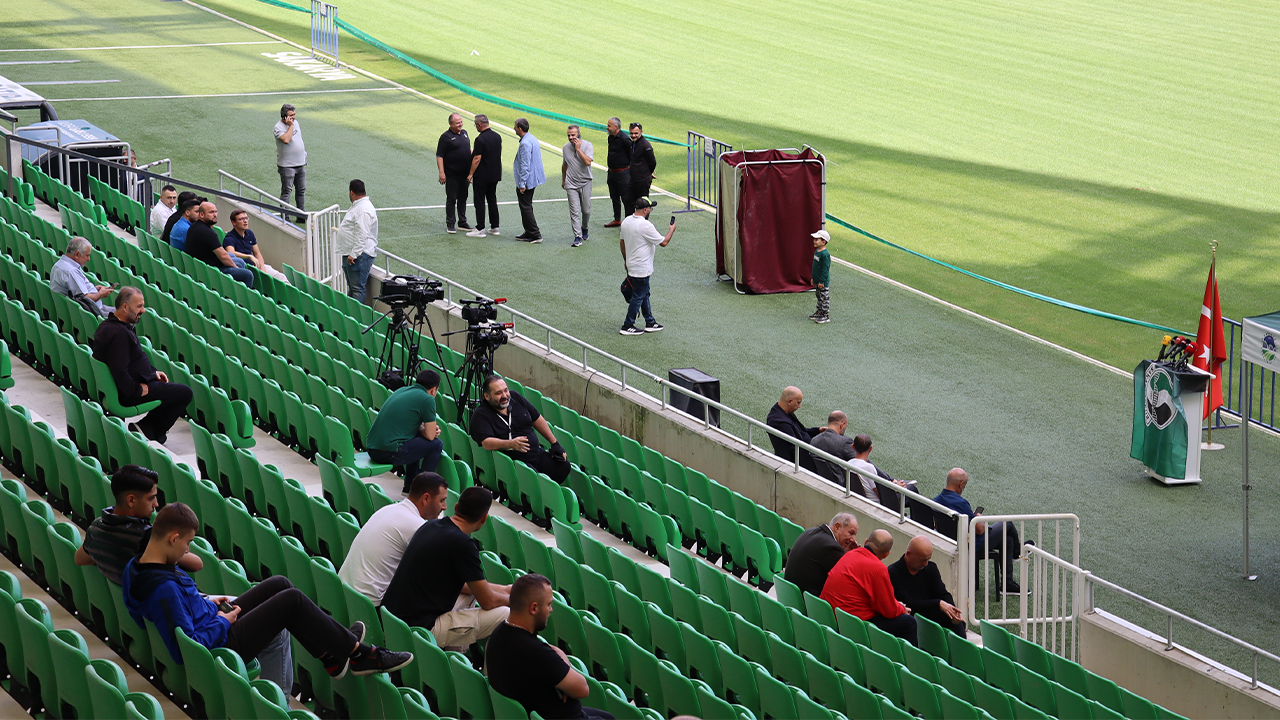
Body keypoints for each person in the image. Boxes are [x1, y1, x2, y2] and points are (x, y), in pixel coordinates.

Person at [124, 503, 412, 692]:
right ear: (173, 538)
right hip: (221, 643)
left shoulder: (137, 567)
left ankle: (331, 655)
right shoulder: (163, 589)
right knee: (292, 601)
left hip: (211, 620)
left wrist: (202, 603)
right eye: (187, 543)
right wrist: (222, 621)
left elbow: (163, 611)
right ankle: (361, 654)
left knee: (279, 584)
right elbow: (186, 647)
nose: (188, 551)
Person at [381, 486, 512, 649]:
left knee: (470, 594)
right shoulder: (464, 544)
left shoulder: (430, 525)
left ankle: (456, 658)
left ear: (456, 507)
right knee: (506, 614)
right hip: (419, 629)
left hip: (392, 620)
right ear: (484, 518)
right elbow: (487, 601)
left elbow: (472, 587)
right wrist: (513, 599)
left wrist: (504, 589)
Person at [486, 574, 614, 720]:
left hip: (535, 710)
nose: (551, 610)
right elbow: (582, 689)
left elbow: (550, 652)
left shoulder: (500, 633)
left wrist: (560, 664)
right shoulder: (535, 652)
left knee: (608, 717)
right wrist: (565, 666)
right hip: (557, 716)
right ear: (534, 608)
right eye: (548, 604)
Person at [92, 287, 192, 444]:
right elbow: (119, 371)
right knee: (184, 393)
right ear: (125, 307)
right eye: (139, 306)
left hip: (126, 385)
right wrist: (137, 390)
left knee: (169, 389)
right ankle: (149, 428)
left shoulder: (108, 326)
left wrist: (152, 374)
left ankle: (147, 427)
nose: (143, 310)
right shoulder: (120, 334)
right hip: (128, 392)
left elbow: (128, 362)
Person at [73, 465, 202, 585]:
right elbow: (197, 564)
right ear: (131, 500)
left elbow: (80, 559)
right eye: (151, 498)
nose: (156, 504)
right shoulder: (146, 537)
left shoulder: (97, 527)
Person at [338, 472, 448, 606]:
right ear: (426, 499)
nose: (444, 507)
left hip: (345, 593)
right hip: (370, 604)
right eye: (441, 500)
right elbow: (438, 576)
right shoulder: (416, 526)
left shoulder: (388, 509)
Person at [932, 468, 1023, 594]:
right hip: (971, 544)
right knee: (1007, 523)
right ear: (961, 484)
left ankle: (1008, 583)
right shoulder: (961, 502)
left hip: (952, 541)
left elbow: (937, 526)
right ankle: (1017, 552)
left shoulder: (936, 500)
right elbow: (979, 530)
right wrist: (979, 518)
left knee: (1007, 540)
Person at [821, 529, 917, 646]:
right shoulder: (879, 569)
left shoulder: (849, 554)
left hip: (829, 616)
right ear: (886, 554)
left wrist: (896, 605)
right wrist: (902, 609)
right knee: (909, 623)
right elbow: (889, 610)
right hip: (851, 625)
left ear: (866, 542)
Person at [469, 375, 570, 484]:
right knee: (538, 482)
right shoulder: (481, 415)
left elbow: (537, 418)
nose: (504, 396)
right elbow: (486, 442)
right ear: (487, 396)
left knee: (563, 466)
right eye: (498, 393)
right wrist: (511, 444)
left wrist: (554, 443)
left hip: (536, 454)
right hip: (515, 463)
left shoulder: (515, 398)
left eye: (506, 390)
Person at [364, 370, 444, 494]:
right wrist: (428, 431)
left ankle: (410, 487)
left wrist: (423, 429)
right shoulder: (428, 399)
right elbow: (430, 436)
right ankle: (422, 490)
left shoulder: (402, 390)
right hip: (386, 452)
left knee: (414, 438)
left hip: (372, 447)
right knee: (436, 444)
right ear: (434, 390)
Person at [888, 536, 967, 637]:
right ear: (908, 554)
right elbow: (909, 603)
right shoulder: (893, 573)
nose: (925, 564)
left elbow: (942, 593)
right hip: (912, 619)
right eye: (922, 560)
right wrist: (938, 604)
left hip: (932, 614)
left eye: (928, 559)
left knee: (956, 624)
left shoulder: (931, 568)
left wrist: (952, 611)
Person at [618, 196, 674, 336]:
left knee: (644, 293)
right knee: (638, 296)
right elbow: (664, 242)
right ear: (644, 210)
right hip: (641, 268)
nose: (651, 210)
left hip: (632, 265)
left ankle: (650, 322)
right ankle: (628, 325)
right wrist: (671, 230)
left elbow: (622, 243)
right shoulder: (645, 225)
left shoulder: (626, 221)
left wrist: (626, 260)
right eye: (650, 208)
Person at [783, 512, 858, 598]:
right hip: (806, 601)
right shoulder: (832, 548)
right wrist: (852, 556)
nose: (853, 539)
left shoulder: (810, 531)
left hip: (788, 595)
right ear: (837, 527)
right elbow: (847, 582)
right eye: (851, 533)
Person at [185, 201, 254, 288]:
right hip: (212, 270)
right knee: (248, 274)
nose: (215, 215)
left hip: (204, 265)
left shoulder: (195, 226)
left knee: (237, 259)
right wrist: (236, 268)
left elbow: (223, 253)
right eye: (211, 212)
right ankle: (242, 294)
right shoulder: (207, 233)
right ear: (201, 215)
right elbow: (223, 256)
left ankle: (236, 288)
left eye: (215, 211)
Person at [848, 434, 924, 512]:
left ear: (853, 446)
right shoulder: (869, 467)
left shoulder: (847, 464)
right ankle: (919, 518)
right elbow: (881, 494)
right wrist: (895, 487)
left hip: (862, 500)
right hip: (878, 503)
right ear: (870, 449)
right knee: (911, 489)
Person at [334, 179, 379, 303]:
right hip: (353, 254)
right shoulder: (360, 206)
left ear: (351, 192)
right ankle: (350, 313)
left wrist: (354, 254)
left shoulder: (363, 209)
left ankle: (356, 314)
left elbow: (362, 234)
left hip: (358, 256)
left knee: (357, 289)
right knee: (354, 289)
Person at [50, 236, 113, 316]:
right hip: (92, 311)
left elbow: (77, 291)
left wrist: (94, 289)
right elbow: (85, 299)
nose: (89, 259)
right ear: (77, 254)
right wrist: (101, 294)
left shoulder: (59, 264)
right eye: (87, 255)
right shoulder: (71, 271)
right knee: (126, 316)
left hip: (92, 308)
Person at [765, 386, 823, 473]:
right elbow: (795, 448)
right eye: (798, 403)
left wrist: (818, 430)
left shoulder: (785, 412)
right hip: (797, 466)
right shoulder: (778, 421)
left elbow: (799, 431)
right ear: (789, 401)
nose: (799, 406)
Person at [223, 209, 288, 283]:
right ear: (234, 222)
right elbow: (231, 252)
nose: (245, 221)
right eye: (241, 219)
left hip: (256, 265)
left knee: (280, 277)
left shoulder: (250, 233)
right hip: (243, 268)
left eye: (246, 218)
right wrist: (249, 256)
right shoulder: (229, 237)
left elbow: (257, 253)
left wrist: (262, 269)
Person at [465, 115, 502, 238]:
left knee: (479, 201)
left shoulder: (480, 139)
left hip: (482, 175)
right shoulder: (497, 136)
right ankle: (495, 226)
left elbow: (477, 158)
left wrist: (471, 174)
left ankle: (480, 228)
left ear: (479, 125)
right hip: (494, 174)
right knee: (492, 199)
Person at [436, 113, 473, 234]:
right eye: (457, 123)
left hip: (465, 174)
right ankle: (450, 224)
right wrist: (442, 172)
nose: (460, 124)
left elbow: (468, 149)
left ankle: (462, 222)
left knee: (463, 198)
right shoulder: (445, 137)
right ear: (450, 124)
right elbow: (440, 156)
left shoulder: (464, 133)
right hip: (452, 175)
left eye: (461, 122)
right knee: (451, 199)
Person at [513, 118, 546, 243]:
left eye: (515, 126)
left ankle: (535, 234)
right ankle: (528, 232)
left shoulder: (525, 143)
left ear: (520, 128)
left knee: (525, 207)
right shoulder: (532, 138)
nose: (514, 128)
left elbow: (525, 165)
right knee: (526, 206)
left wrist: (522, 184)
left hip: (527, 181)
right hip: (533, 178)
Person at [561, 125, 594, 247]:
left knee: (586, 210)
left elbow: (587, 162)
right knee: (574, 211)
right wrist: (564, 180)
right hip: (571, 183)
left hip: (586, 182)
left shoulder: (588, 145)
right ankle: (577, 236)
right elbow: (565, 165)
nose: (570, 137)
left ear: (579, 134)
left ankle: (584, 227)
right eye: (569, 135)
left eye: (573, 135)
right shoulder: (565, 147)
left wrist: (578, 149)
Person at [809, 410, 857, 488]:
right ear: (842, 424)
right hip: (841, 486)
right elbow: (860, 463)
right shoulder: (845, 442)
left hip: (820, 481)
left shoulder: (814, 440)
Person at [274, 103, 306, 218]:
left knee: (301, 190)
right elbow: (286, 140)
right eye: (291, 115)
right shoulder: (278, 127)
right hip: (287, 166)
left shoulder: (296, 123)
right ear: (284, 116)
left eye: (294, 114)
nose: (294, 117)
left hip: (300, 163)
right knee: (287, 192)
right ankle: (285, 217)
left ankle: (301, 215)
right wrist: (290, 126)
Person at [603, 117, 632, 227]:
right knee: (614, 197)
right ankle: (617, 219)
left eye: (609, 125)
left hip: (623, 173)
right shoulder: (610, 137)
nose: (607, 127)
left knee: (626, 198)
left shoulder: (624, 139)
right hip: (611, 173)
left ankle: (629, 222)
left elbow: (632, 155)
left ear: (616, 127)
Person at [627, 123, 656, 206]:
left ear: (641, 132)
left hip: (642, 180)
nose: (633, 135)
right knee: (628, 201)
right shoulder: (633, 143)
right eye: (631, 133)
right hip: (633, 179)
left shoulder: (645, 145)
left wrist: (648, 172)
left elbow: (652, 162)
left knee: (642, 205)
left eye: (636, 133)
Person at [810, 229, 831, 323]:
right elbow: (815, 267)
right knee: (819, 296)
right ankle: (819, 311)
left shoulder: (825, 254)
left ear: (823, 242)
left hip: (822, 282)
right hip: (817, 280)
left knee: (824, 297)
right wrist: (813, 278)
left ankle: (825, 315)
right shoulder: (817, 251)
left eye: (816, 239)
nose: (814, 241)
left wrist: (822, 281)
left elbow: (825, 269)